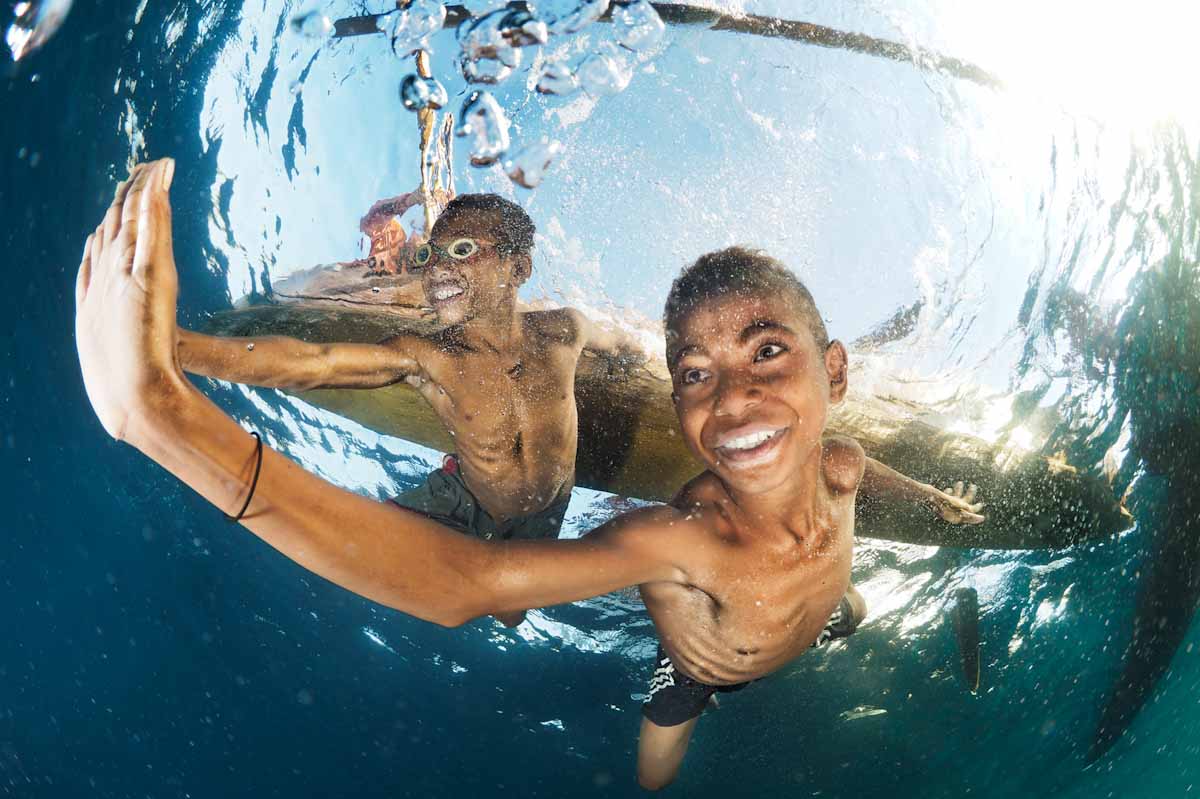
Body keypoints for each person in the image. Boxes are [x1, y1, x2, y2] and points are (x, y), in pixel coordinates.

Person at [75, 160, 984, 789]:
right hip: (707, 669)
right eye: (697, 374)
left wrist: (938, 500)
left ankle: (836, 610)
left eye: (767, 353)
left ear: (835, 372)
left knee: (842, 604)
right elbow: (461, 580)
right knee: (653, 764)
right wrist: (171, 397)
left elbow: (872, 475)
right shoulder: (681, 537)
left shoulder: (838, 459)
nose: (734, 400)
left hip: (794, 588)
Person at [175, 185, 640, 626]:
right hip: (466, 499)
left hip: (547, 510)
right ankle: (247, 485)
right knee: (375, 554)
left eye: (462, 250)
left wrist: (635, 355)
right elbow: (316, 362)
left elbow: (620, 342)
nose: (437, 269)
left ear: (518, 269)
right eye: (427, 256)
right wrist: (179, 348)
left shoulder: (564, 330)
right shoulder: (429, 355)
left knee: (512, 615)